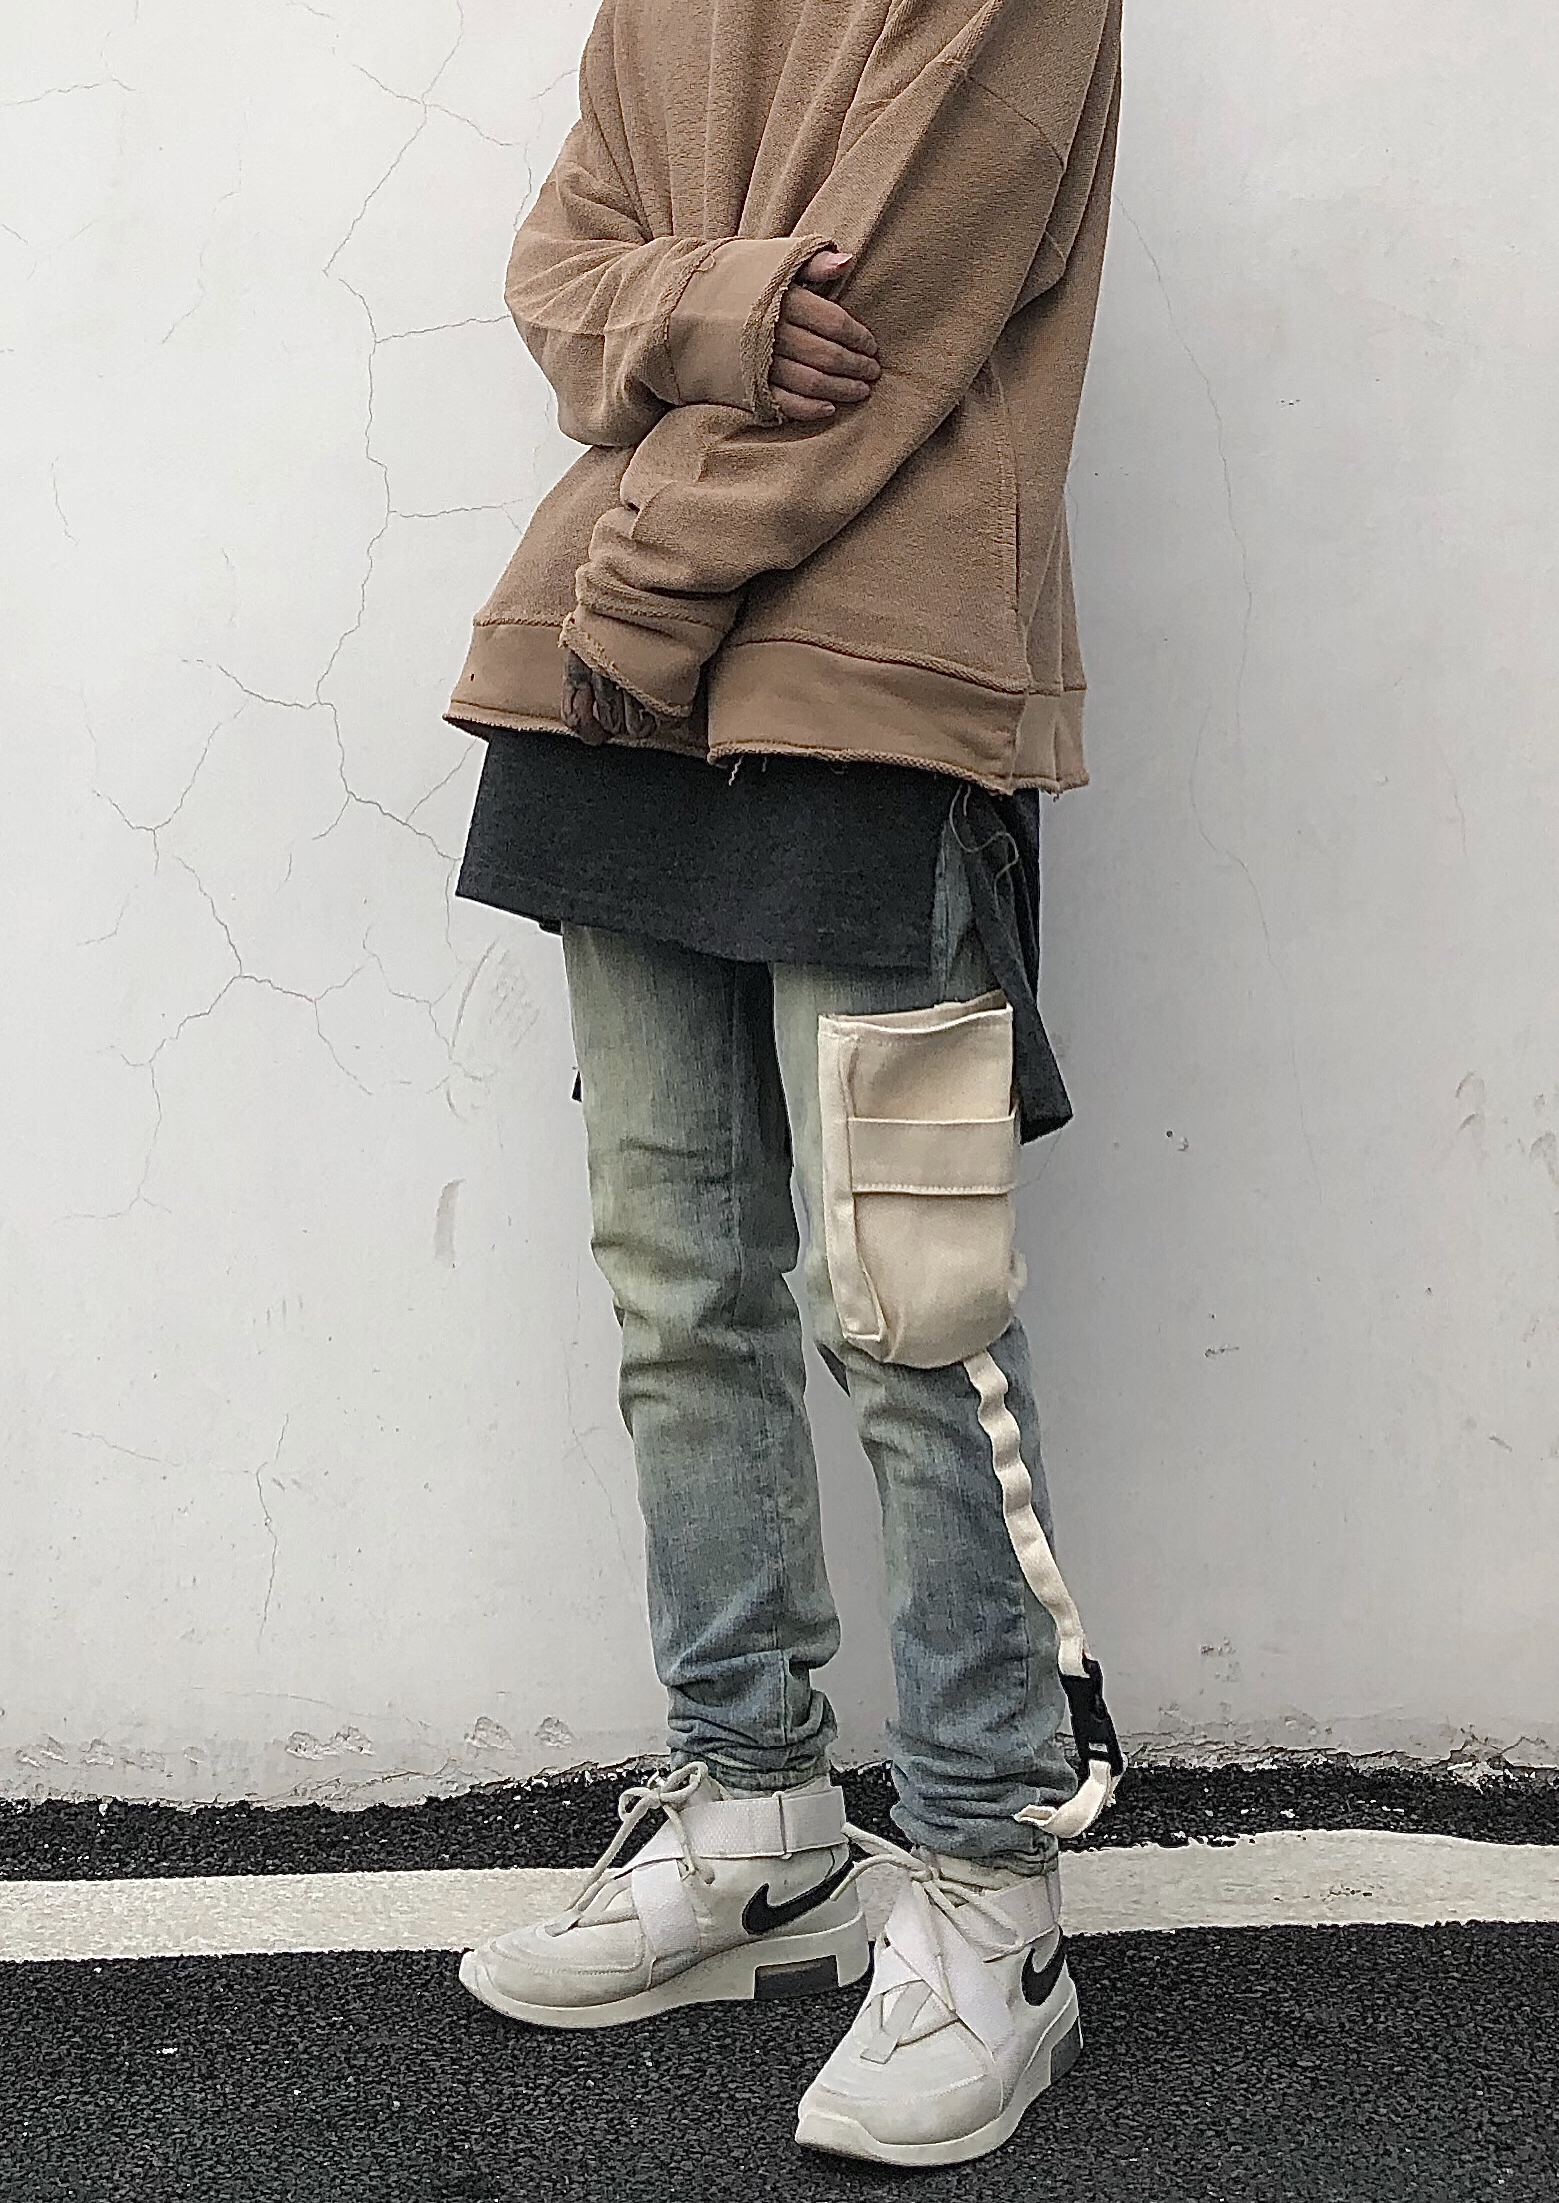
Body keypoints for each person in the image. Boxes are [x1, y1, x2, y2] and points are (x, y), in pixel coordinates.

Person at [443, 0, 1125, 2168]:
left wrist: (638, 560)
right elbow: (557, 284)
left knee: (912, 1305)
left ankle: (993, 1884)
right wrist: (717, 307)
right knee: (675, 1281)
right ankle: (756, 1815)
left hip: (871, 696)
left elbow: (886, 340)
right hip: (614, 704)